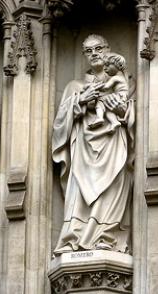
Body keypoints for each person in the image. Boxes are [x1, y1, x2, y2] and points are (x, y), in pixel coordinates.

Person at [52, 34, 134, 254]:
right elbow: (59, 125)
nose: (94, 54)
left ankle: (106, 238)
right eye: (88, 51)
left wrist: (121, 109)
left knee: (111, 188)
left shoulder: (122, 82)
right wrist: (80, 100)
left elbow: (131, 115)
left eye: (98, 48)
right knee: (79, 193)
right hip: (83, 150)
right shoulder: (74, 87)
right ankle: (75, 238)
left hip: (112, 144)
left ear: (107, 50)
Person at [89, 52, 129, 132]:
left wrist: (96, 86)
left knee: (100, 100)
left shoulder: (116, 78)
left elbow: (106, 87)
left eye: (107, 65)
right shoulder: (123, 78)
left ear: (117, 65)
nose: (105, 68)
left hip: (118, 98)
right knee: (107, 109)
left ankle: (99, 117)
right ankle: (114, 122)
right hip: (122, 100)